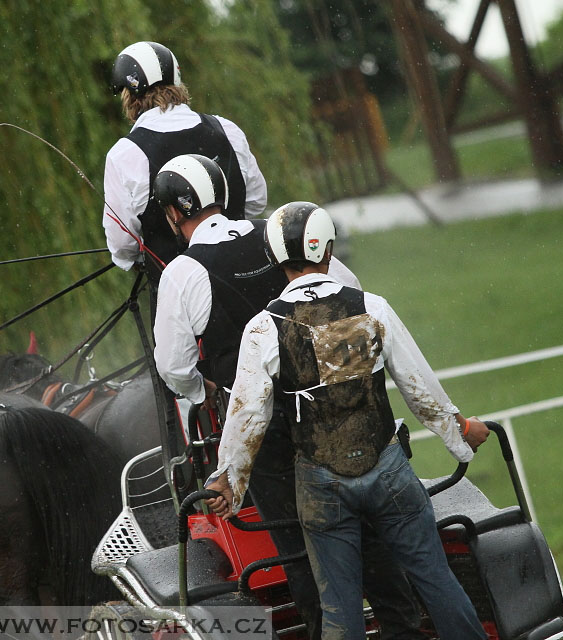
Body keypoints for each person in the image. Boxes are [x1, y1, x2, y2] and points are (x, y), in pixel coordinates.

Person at [151, 158, 424, 639]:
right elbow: (350, 293)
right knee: (370, 531)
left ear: (175, 212)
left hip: (269, 435)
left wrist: (204, 390)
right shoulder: (281, 232)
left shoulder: (182, 273)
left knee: (298, 545)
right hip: (337, 417)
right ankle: (401, 625)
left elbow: (174, 367)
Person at [205, 202, 491, 640]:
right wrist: (460, 434)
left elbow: (248, 417)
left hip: (321, 487)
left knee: (340, 612)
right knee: (436, 581)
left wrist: (230, 480)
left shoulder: (263, 329)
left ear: (274, 257)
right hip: (389, 471)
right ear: (328, 250)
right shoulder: (372, 306)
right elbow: (420, 389)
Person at [104, 41, 267, 278]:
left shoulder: (124, 155)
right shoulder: (226, 130)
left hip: (177, 293)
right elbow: (256, 201)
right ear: (177, 83)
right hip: (249, 278)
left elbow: (123, 244)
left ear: (130, 95)